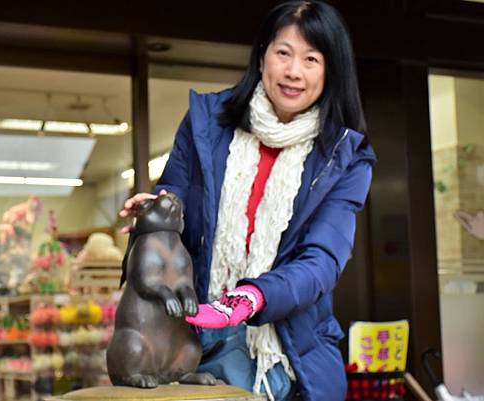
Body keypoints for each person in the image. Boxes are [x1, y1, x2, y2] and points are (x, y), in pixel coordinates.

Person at [119, 1, 376, 400]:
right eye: (283, 53)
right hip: (191, 335)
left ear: (330, 72)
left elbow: (322, 261)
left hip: (284, 350)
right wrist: (157, 212)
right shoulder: (206, 121)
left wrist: (251, 297)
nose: (294, 71)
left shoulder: (346, 157)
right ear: (261, 59)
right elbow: (178, 194)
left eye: (311, 59)